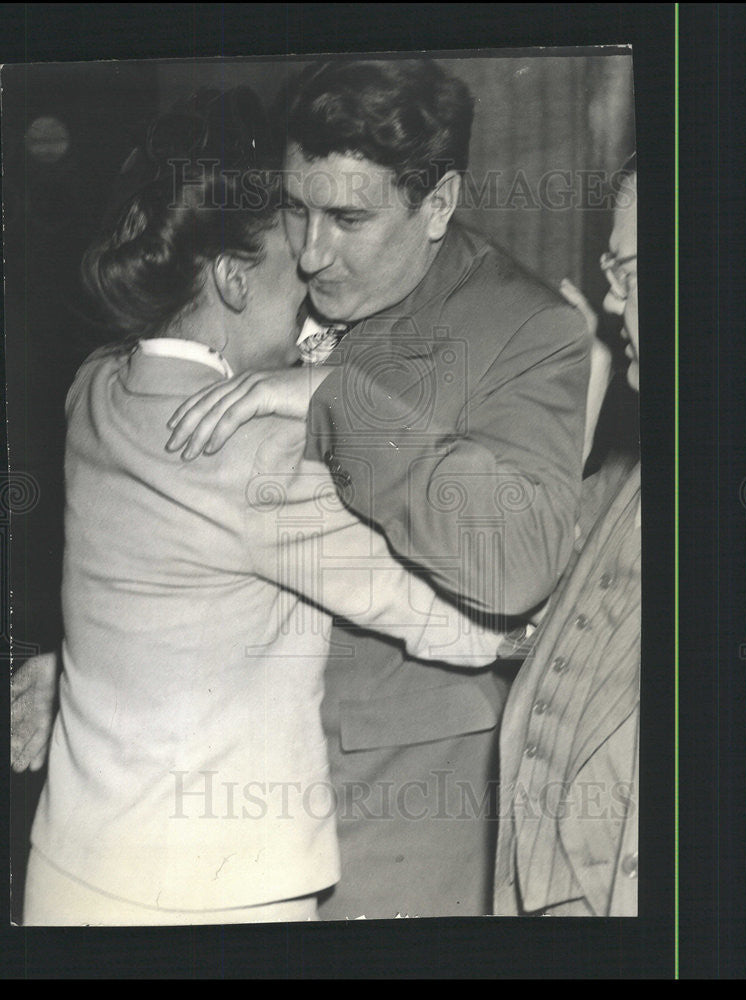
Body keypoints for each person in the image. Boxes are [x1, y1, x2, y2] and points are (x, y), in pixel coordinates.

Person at [14, 90, 505, 926]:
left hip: (68, 869)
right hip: (217, 894)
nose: (316, 279)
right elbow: (468, 622)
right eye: (295, 262)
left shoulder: (93, 387)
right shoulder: (260, 459)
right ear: (235, 279)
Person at [164, 59, 594, 919]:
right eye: (296, 205)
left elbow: (515, 563)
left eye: (348, 218)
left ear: (436, 206)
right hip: (218, 770)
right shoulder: (267, 275)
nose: (310, 250)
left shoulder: (526, 329)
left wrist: (334, 402)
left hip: (392, 801)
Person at [493, 168, 640, 918]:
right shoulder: (632, 471)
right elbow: (524, 597)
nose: (612, 299)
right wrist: (591, 384)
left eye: (630, 271)